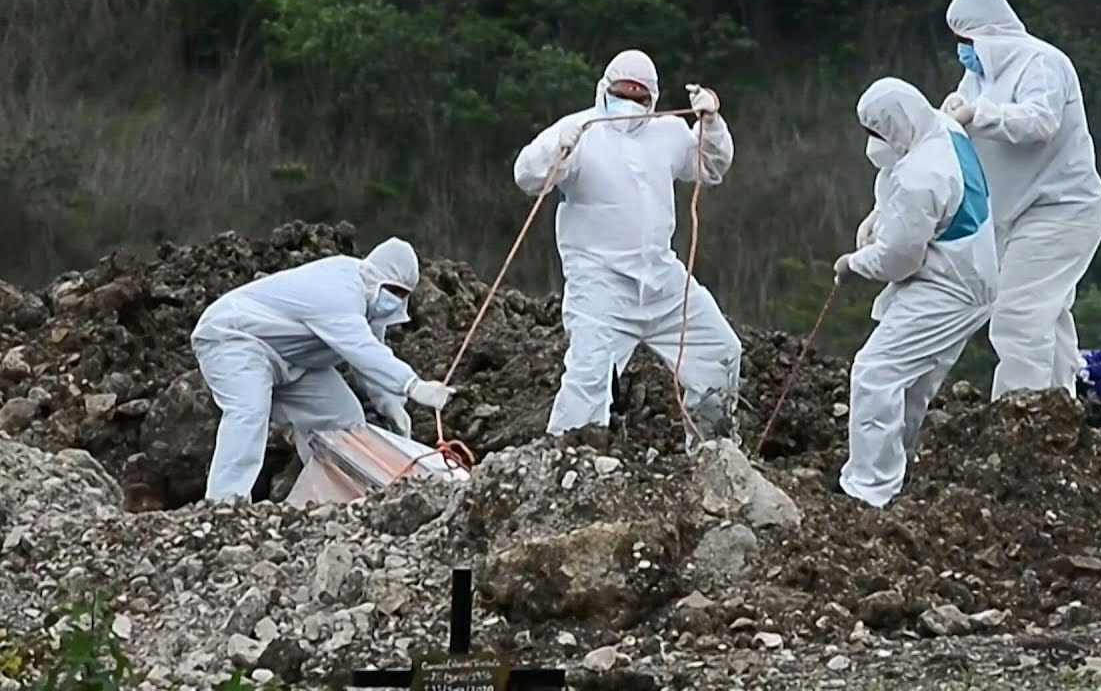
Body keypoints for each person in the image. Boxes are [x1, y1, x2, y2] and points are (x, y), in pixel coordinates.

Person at [512, 49, 741, 451]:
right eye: (623, 92)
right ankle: (565, 468)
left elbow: (712, 168)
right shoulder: (580, 129)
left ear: (653, 97)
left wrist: (712, 123)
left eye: (639, 95)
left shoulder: (668, 132)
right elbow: (527, 176)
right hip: (599, 283)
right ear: (605, 88)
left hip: (661, 279)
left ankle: (712, 452)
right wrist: (555, 152)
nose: (630, 102)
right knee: (589, 379)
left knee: (720, 353)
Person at [832, 77, 999, 508]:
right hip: (970, 275)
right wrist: (878, 216)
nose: (872, 144)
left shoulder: (920, 175)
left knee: (876, 371)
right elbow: (910, 205)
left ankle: (868, 489)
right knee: (912, 382)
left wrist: (854, 264)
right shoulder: (943, 129)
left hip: (948, 286)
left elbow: (900, 259)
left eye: (877, 133)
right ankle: (893, 474)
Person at [940, 0, 1101, 401]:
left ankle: (1019, 421)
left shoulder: (1042, 63)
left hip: (1060, 210)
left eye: (965, 40)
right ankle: (1058, 410)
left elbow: (1039, 121)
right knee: (1047, 319)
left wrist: (978, 114)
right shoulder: (976, 78)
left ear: (987, 35)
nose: (962, 51)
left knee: (1018, 316)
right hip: (1017, 214)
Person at [190, 237, 456, 501]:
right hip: (235, 339)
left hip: (294, 360)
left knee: (343, 421)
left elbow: (373, 351)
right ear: (376, 277)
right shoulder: (338, 291)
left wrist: (391, 404)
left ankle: (325, 502)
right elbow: (361, 349)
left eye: (403, 295)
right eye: (394, 291)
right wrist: (413, 385)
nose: (396, 301)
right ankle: (223, 504)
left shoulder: (368, 305)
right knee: (249, 412)